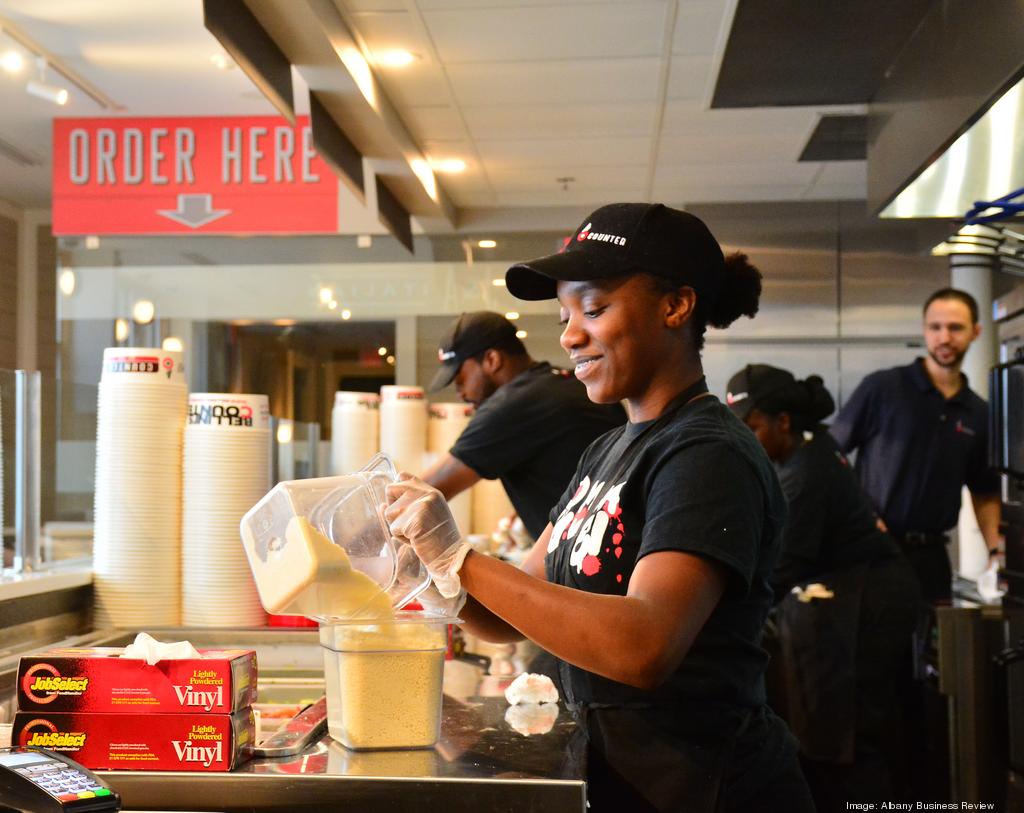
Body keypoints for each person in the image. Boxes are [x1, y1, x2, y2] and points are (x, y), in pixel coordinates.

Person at [385, 203, 815, 812]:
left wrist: (461, 557)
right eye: (564, 315)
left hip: (704, 785)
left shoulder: (706, 453)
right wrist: (431, 571)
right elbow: (511, 614)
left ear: (675, 306)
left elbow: (643, 646)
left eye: (594, 308)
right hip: (619, 776)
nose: (568, 335)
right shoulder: (606, 451)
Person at [726, 363, 921, 811]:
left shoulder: (805, 472)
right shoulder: (809, 449)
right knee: (847, 731)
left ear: (784, 422)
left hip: (868, 602)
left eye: (751, 428)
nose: (745, 441)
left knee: (846, 737)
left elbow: (780, 570)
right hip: (856, 597)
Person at [829, 288, 1003, 603]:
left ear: (976, 332)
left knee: (932, 649)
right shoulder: (883, 387)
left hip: (932, 557)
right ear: (924, 330)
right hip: (873, 549)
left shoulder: (979, 412)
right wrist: (861, 515)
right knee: (876, 648)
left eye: (956, 327)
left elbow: (985, 491)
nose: (944, 337)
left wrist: (996, 552)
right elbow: (830, 454)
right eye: (935, 328)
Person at [421, 310, 625, 541]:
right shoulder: (564, 383)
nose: (460, 393)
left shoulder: (512, 404)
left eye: (460, 380)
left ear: (492, 360)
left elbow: (424, 496)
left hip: (593, 563)